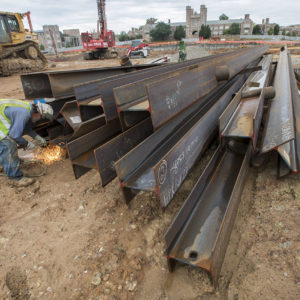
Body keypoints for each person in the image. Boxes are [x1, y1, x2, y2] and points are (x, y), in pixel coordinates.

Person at [0, 99, 53, 187]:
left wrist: (36, 136)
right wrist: (26, 143)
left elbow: (26, 127)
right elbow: (14, 135)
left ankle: (5, 164)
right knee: (9, 143)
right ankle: (15, 178)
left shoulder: (28, 108)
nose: (39, 120)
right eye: (41, 117)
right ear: (38, 112)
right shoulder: (24, 113)